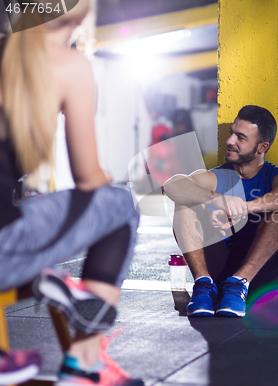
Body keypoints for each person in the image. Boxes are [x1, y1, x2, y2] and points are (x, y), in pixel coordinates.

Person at [0, 2, 143, 385]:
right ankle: (84, 361)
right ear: (80, 15)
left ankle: (56, 288)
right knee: (120, 204)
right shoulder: (68, 65)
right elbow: (89, 179)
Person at [163, 105, 278, 317]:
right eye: (232, 133)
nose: (230, 141)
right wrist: (219, 200)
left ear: (261, 147)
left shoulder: (275, 177)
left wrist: (245, 207)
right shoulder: (218, 176)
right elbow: (172, 185)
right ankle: (203, 286)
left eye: (240, 137)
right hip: (219, 273)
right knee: (184, 200)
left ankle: (240, 283)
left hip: (262, 277)